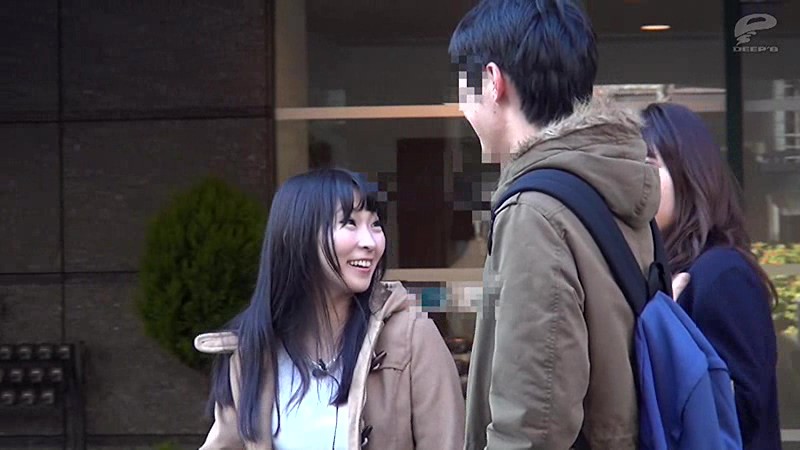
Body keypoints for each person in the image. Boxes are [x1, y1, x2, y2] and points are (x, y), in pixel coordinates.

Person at [449, 0, 663, 448]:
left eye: (464, 90)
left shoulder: (534, 211)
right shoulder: (607, 183)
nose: (463, 109)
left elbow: (532, 424)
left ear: (492, 81)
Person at [194, 168, 465, 449]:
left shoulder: (412, 337)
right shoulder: (252, 351)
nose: (370, 242)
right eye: (350, 223)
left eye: (375, 224)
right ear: (295, 235)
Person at [641, 102, 782, 449]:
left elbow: (737, 415)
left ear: (690, 175)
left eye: (649, 167)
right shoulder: (668, 270)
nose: (636, 184)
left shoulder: (723, 274)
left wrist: (666, 331)